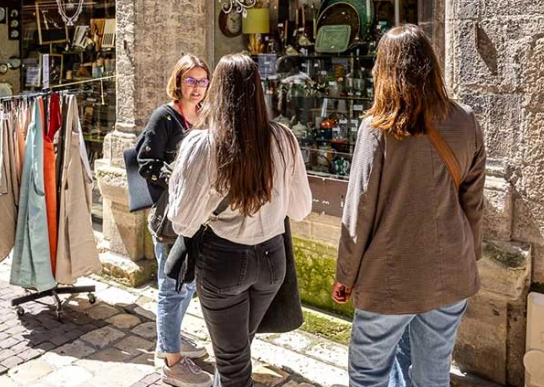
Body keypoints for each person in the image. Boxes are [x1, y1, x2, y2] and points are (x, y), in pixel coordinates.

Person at [332, 24, 486, 387]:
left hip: (391, 277)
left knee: (369, 374)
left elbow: (359, 210)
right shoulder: (465, 120)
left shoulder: (378, 127)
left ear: (384, 70)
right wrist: (468, 254)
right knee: (432, 374)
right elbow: (473, 203)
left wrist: (345, 274)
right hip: (451, 271)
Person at [168, 53, 313, 387]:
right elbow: (302, 208)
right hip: (272, 261)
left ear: (217, 91)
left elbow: (182, 223)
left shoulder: (203, 144)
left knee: (233, 363)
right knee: (238, 348)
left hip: (224, 261)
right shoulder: (284, 139)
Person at [137, 54, 212, 387]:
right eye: (190, 81)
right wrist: (181, 180)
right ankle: (171, 363)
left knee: (189, 284)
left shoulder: (205, 115)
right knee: (171, 289)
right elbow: (145, 162)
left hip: (198, 218)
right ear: (178, 83)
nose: (196, 88)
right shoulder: (165, 117)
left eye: (202, 81)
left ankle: (171, 340)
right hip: (170, 219)